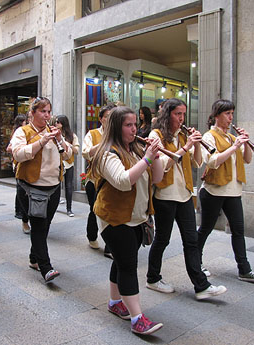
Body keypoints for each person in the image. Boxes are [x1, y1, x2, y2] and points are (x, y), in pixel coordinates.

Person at [90, 106, 164, 335]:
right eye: (128, 125)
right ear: (116, 127)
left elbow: (158, 178)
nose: (134, 129)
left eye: (135, 124)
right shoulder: (106, 153)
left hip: (135, 217)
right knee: (128, 266)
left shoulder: (137, 149)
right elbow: (123, 181)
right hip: (114, 218)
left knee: (121, 261)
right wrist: (148, 159)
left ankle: (114, 302)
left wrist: (156, 157)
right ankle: (137, 318)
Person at [146, 98, 227, 300]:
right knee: (162, 239)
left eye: (183, 114)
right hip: (164, 195)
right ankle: (152, 278)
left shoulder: (183, 135)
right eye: (177, 114)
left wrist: (197, 144)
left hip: (184, 195)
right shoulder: (155, 135)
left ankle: (201, 286)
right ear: (168, 114)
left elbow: (198, 163)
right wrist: (185, 147)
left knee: (191, 241)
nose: (181, 118)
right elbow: (162, 164)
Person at [197, 99, 254, 282]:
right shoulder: (209, 136)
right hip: (214, 191)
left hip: (234, 192)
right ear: (216, 116)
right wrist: (234, 146)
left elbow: (247, 159)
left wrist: (245, 143)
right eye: (227, 114)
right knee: (205, 228)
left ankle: (244, 269)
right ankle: (195, 262)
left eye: (232, 114)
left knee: (238, 231)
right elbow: (212, 161)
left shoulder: (232, 137)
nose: (230, 118)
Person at [11, 97, 72, 283]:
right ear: (32, 113)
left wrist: (60, 139)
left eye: (48, 111)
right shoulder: (23, 131)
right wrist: (41, 140)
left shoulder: (54, 132)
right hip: (31, 187)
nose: (47, 115)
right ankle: (46, 267)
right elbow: (18, 154)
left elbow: (69, 155)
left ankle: (33, 257)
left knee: (45, 225)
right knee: (38, 226)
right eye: (43, 111)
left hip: (53, 186)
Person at [81, 103, 116, 258]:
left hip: (114, 180)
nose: (110, 120)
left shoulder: (120, 134)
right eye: (107, 117)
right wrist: (104, 142)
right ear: (101, 119)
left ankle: (110, 247)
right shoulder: (93, 134)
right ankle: (92, 235)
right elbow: (86, 153)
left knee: (111, 212)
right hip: (95, 180)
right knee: (95, 210)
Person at [6, 114, 30, 234]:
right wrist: (23, 149)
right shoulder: (19, 132)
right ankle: (23, 217)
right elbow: (9, 148)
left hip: (33, 167)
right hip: (20, 165)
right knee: (22, 191)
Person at [55, 115, 79, 217]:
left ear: (63, 123)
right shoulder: (54, 134)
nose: (56, 124)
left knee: (68, 186)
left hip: (68, 164)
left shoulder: (72, 136)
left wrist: (68, 145)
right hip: (57, 163)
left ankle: (69, 209)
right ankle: (54, 206)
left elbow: (77, 150)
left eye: (58, 122)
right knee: (56, 186)